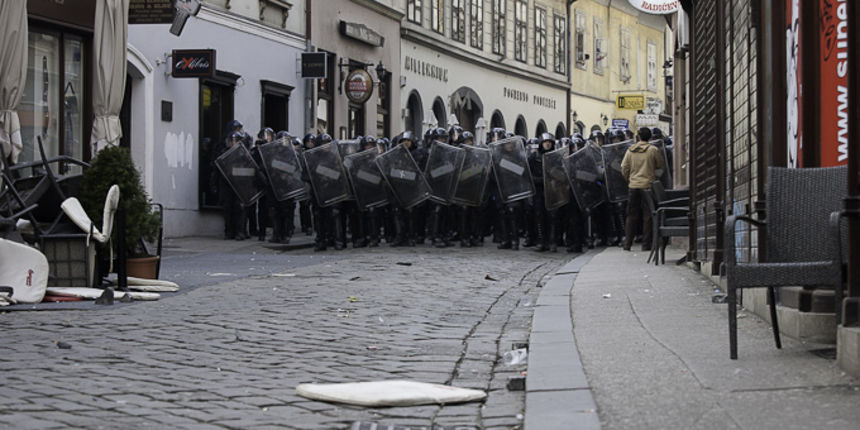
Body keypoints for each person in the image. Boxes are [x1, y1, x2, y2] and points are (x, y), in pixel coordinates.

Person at [621, 127, 664, 251]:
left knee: (631, 215)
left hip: (633, 186)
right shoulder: (653, 150)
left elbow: (624, 167)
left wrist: (629, 179)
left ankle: (627, 244)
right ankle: (646, 244)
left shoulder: (630, 151)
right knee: (648, 215)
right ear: (649, 137)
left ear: (638, 137)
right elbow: (660, 164)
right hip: (648, 186)